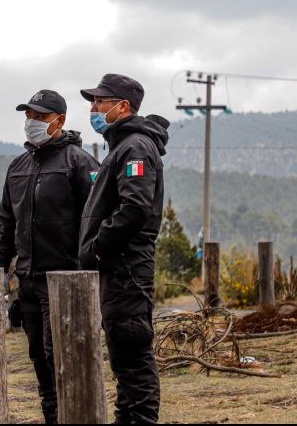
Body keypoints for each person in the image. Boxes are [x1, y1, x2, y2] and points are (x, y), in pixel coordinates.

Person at [0, 89, 99, 424]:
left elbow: (94, 220)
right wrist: (0, 269)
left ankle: (74, 414)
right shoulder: (17, 166)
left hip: (65, 280)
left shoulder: (79, 163)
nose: (31, 123)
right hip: (27, 281)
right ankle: (51, 415)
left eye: (39, 117)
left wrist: (88, 268)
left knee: (62, 354)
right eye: (28, 116)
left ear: (60, 120)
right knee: (38, 355)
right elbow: (7, 221)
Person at [79, 73, 170, 424]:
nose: (93, 108)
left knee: (132, 353)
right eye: (93, 102)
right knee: (122, 356)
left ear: (123, 106)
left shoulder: (135, 147)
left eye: (100, 102)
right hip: (117, 269)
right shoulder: (121, 145)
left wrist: (100, 246)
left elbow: (135, 207)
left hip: (126, 268)